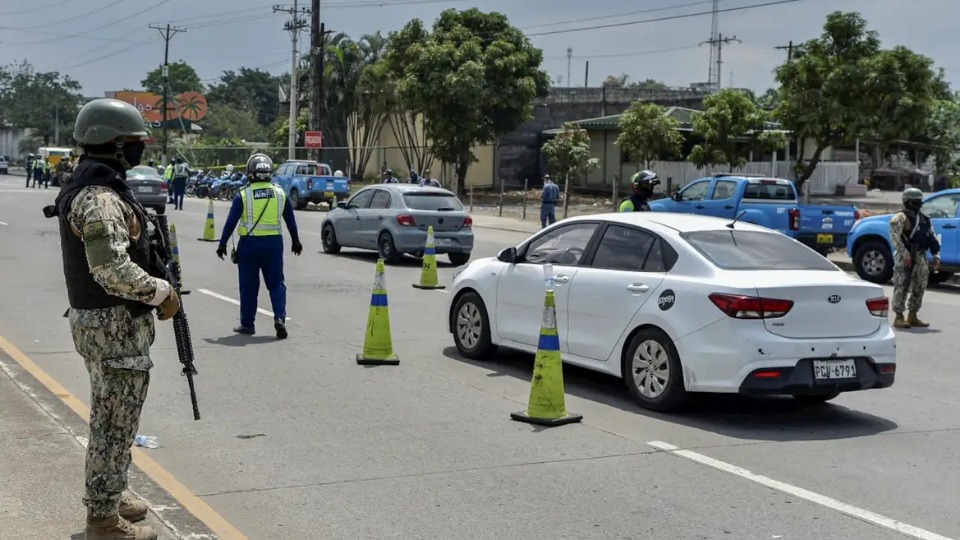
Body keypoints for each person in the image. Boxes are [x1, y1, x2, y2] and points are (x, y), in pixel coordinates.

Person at [50, 98, 180, 540]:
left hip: (100, 325)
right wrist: (162, 293)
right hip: (113, 327)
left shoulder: (90, 187)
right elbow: (111, 270)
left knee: (113, 416)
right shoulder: (101, 198)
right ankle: (104, 520)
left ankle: (111, 490)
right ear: (118, 145)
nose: (141, 148)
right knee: (113, 421)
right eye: (136, 142)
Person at [216, 154, 302, 338]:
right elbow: (290, 221)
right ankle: (279, 318)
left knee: (249, 286)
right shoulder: (280, 194)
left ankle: (247, 324)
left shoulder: (243, 195)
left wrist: (222, 244)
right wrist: (296, 241)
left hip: (249, 245)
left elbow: (231, 222)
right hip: (274, 245)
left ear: (250, 172)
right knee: (277, 283)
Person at [890, 187, 941, 328]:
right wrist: (905, 253)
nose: (919, 204)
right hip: (905, 256)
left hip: (921, 256)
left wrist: (936, 254)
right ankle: (899, 316)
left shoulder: (924, 219)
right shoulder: (900, 217)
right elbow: (895, 237)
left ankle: (913, 315)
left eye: (920, 201)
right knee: (901, 286)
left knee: (920, 286)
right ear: (908, 202)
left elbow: (931, 237)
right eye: (916, 201)